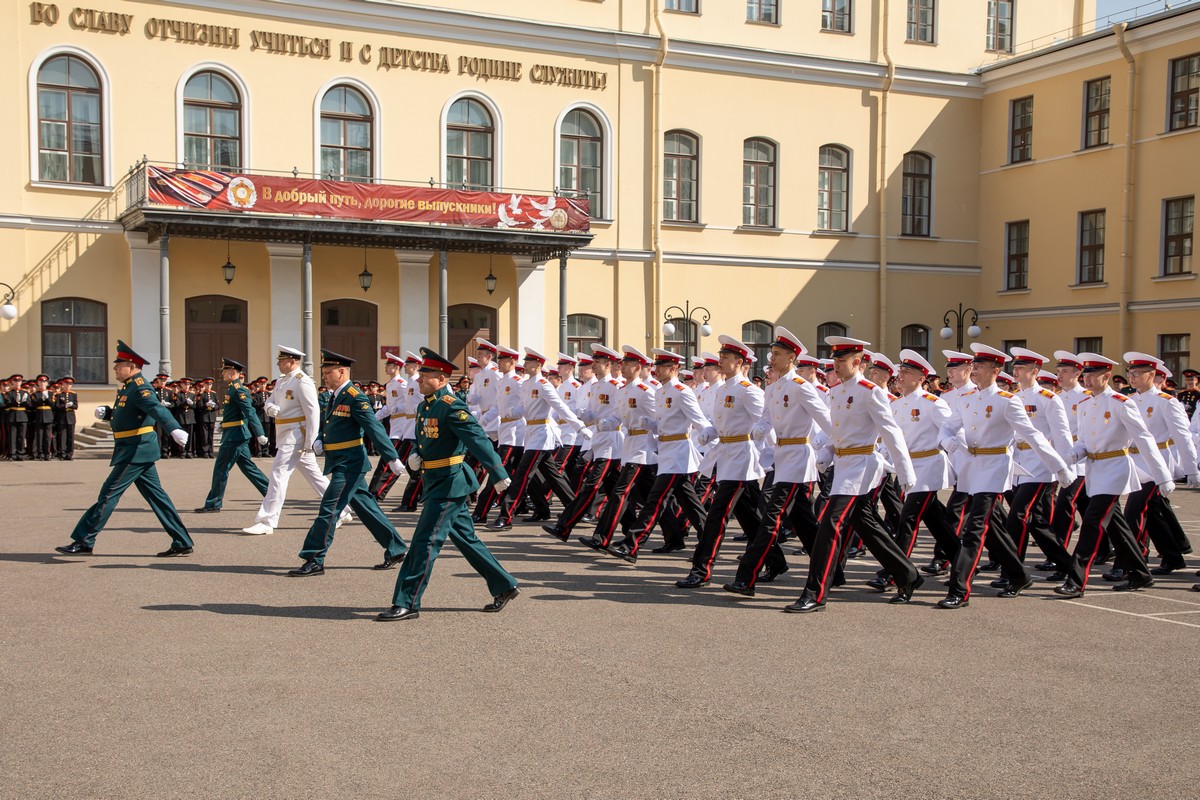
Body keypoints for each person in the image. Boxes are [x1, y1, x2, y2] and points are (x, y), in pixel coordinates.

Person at [377, 348, 518, 621]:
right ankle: (505, 584)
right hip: (434, 481)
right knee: (466, 539)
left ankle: (407, 601)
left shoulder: (452, 406)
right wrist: (418, 454)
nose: (418, 380)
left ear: (441, 379)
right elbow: (426, 438)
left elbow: (478, 439)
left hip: (450, 483)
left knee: (424, 541)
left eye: (425, 375)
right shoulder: (425, 405)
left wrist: (498, 473)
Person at [784, 336, 921, 613]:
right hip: (843, 465)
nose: (835, 365)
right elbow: (838, 430)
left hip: (860, 466)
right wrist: (826, 453)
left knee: (829, 526)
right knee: (868, 528)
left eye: (841, 360)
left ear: (857, 362)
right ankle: (908, 576)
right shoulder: (836, 391)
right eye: (834, 360)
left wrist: (905, 470)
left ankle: (816, 592)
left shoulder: (870, 391)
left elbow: (891, 432)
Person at [933, 343, 1071, 609]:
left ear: (996, 371)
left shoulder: (1007, 401)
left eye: (980, 367)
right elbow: (947, 427)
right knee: (994, 528)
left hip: (994, 467)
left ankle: (959, 589)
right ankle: (1019, 575)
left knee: (975, 529)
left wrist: (1060, 467)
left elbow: (1034, 436)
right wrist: (947, 441)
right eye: (973, 365)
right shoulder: (966, 398)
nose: (973, 370)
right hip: (972, 467)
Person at [55, 341, 194, 557]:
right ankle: (182, 541)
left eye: (118, 365)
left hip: (135, 451)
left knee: (108, 494)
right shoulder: (129, 386)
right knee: (158, 497)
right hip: (133, 450)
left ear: (130, 365)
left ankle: (84, 540)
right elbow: (131, 413)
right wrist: (110, 413)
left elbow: (156, 410)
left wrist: (174, 429)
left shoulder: (140, 386)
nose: (114, 369)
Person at [1053, 353, 1174, 597]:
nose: (1087, 380)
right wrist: (1073, 455)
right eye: (1085, 375)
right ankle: (1140, 573)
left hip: (1116, 468)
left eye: (1092, 375)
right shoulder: (1085, 405)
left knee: (1092, 523)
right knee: (1117, 526)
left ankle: (1076, 580)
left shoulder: (1121, 403)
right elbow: (1085, 441)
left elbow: (1145, 439)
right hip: (1094, 471)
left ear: (1106, 377)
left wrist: (1163, 476)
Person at [724, 329, 832, 595]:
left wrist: (831, 450)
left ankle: (745, 577)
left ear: (792, 358)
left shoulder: (801, 387)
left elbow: (828, 421)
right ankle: (835, 571)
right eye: (772, 354)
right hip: (782, 459)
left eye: (778, 355)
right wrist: (761, 429)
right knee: (805, 523)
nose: (771, 359)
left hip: (798, 460)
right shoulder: (774, 388)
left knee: (770, 520)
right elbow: (765, 418)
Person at [291, 350, 409, 577]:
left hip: (350, 464)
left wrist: (391, 457)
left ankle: (315, 557)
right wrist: (321, 440)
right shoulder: (336, 394)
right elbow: (333, 423)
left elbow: (373, 428)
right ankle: (396, 548)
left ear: (342, 372)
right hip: (339, 460)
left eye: (328, 372)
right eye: (324, 373)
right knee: (367, 509)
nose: (324, 377)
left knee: (330, 509)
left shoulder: (356, 396)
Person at [242, 346, 349, 535]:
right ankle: (343, 509)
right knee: (314, 475)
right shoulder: (281, 381)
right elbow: (270, 400)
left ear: (292, 362)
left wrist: (311, 439)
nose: (278, 364)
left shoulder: (303, 381)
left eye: (281, 361)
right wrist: (269, 408)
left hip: (296, 434)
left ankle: (267, 521)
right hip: (284, 432)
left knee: (278, 474)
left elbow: (313, 412)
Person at [489, 347, 583, 529]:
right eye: (525, 362)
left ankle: (506, 516)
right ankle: (574, 508)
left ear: (538, 365)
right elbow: (524, 407)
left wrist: (579, 426)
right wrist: (516, 411)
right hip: (530, 433)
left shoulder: (543, 384)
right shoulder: (526, 384)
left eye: (528, 362)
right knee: (554, 476)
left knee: (522, 476)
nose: (524, 365)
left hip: (541, 434)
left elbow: (561, 406)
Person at [195, 358, 270, 513]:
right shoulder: (231, 388)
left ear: (233, 373)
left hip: (235, 436)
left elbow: (249, 411)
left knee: (221, 468)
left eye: (225, 371)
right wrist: (224, 425)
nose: (222, 373)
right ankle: (273, 495)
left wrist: (260, 433)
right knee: (249, 468)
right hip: (234, 434)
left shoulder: (239, 390)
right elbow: (234, 412)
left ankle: (214, 503)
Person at [53, 376, 77, 460]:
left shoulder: (73, 394)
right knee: (62, 436)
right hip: (62, 418)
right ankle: (62, 453)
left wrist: (71, 405)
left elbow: (76, 406)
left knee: (70, 437)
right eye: (66, 384)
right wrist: (64, 406)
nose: (68, 386)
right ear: (63, 384)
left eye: (70, 384)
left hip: (70, 417)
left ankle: (69, 454)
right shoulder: (59, 395)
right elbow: (56, 406)